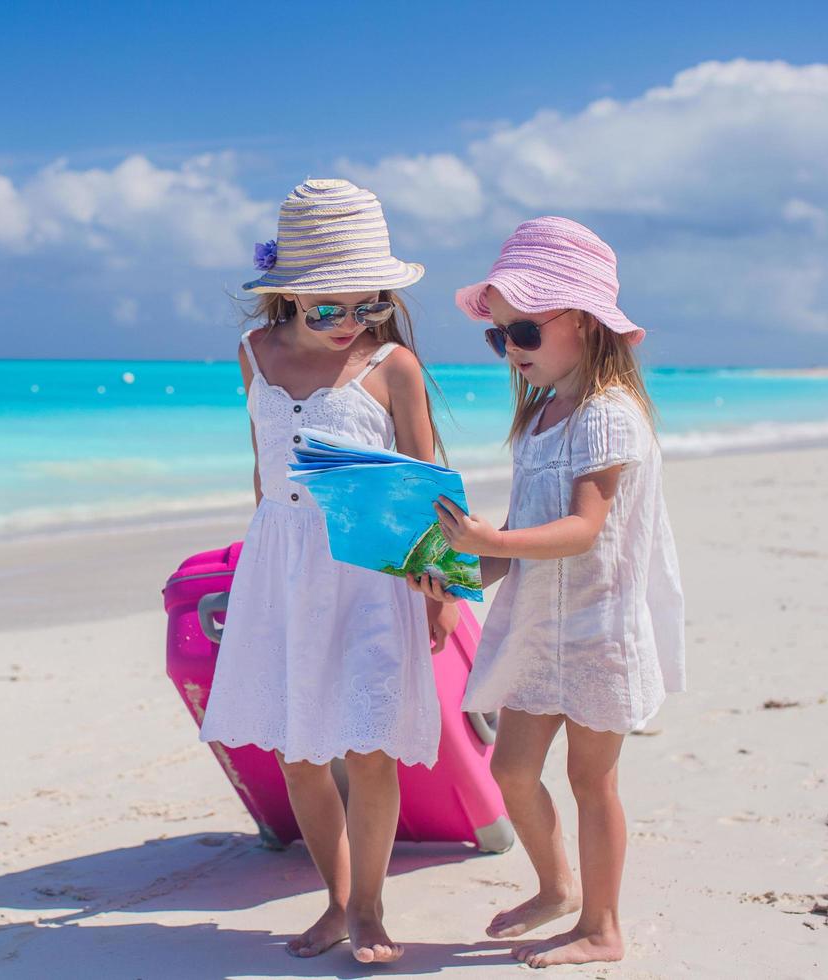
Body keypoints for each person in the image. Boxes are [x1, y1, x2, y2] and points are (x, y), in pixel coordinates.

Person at [409, 216, 685, 968]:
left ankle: (602, 925)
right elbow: (526, 537)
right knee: (510, 771)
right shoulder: (542, 420)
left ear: (586, 324)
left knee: (591, 779)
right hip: (539, 627)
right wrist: (458, 575)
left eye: (524, 331)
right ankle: (557, 887)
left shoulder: (607, 416)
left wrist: (491, 542)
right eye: (499, 338)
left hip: (597, 629)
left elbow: (582, 528)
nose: (511, 351)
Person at [199, 178, 456, 964]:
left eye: (365, 307)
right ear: (288, 299)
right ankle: (337, 901)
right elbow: (262, 472)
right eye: (327, 309)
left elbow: (427, 483)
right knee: (298, 751)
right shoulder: (252, 354)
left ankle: (373, 910)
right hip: (280, 567)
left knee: (370, 747)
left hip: (369, 573)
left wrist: (438, 588)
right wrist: (255, 567)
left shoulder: (393, 365)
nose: (349, 324)